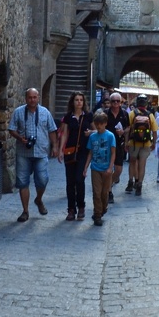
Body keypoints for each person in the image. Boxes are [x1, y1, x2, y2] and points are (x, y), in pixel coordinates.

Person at [8, 88, 59, 222]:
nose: (32, 100)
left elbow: (52, 130)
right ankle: (25, 211)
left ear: (38, 97)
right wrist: (20, 138)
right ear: (26, 98)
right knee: (22, 182)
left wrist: (55, 146)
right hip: (23, 152)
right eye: (30, 97)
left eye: (34, 97)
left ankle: (39, 199)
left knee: (42, 179)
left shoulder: (45, 112)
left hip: (41, 152)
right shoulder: (19, 112)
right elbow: (11, 129)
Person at [57, 91, 94, 221]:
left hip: (83, 151)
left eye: (81, 100)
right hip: (70, 151)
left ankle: (81, 206)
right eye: (76, 100)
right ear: (72, 102)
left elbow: (97, 130)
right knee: (70, 182)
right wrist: (61, 150)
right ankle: (71, 209)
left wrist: (91, 132)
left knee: (79, 179)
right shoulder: (68, 117)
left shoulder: (88, 116)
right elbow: (65, 134)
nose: (79, 102)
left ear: (84, 102)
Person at [83, 111, 116, 226]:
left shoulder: (110, 136)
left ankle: (103, 208)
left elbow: (113, 153)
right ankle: (97, 214)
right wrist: (86, 167)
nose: (98, 126)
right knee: (96, 192)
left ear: (105, 123)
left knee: (104, 193)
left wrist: (110, 167)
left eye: (101, 124)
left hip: (106, 169)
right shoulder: (92, 137)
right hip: (95, 168)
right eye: (97, 124)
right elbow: (90, 153)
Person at [125, 94, 158, 196]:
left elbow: (127, 130)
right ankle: (139, 185)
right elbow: (155, 131)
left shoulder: (131, 114)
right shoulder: (150, 115)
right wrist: (154, 143)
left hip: (133, 142)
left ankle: (131, 182)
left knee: (132, 162)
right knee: (142, 164)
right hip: (146, 143)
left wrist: (126, 142)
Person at [104, 92, 130, 203]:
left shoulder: (124, 114)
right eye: (113, 101)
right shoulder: (105, 114)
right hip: (107, 144)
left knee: (118, 170)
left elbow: (129, 127)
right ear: (109, 102)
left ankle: (108, 184)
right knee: (108, 170)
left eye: (117, 101)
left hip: (119, 144)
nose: (115, 103)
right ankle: (109, 192)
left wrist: (123, 132)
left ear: (120, 102)